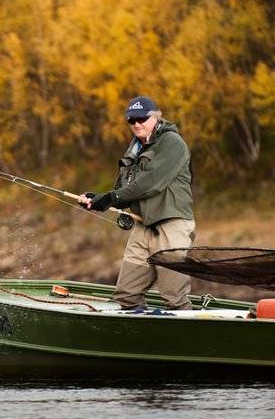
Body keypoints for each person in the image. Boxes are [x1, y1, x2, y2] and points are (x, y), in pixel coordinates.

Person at [79, 95, 195, 311]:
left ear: (157, 117)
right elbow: (125, 188)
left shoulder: (172, 143)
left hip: (171, 226)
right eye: (131, 120)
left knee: (174, 298)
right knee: (126, 295)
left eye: (142, 118)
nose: (137, 124)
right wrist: (97, 198)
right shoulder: (135, 148)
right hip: (143, 226)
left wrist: (111, 199)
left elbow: (151, 183)